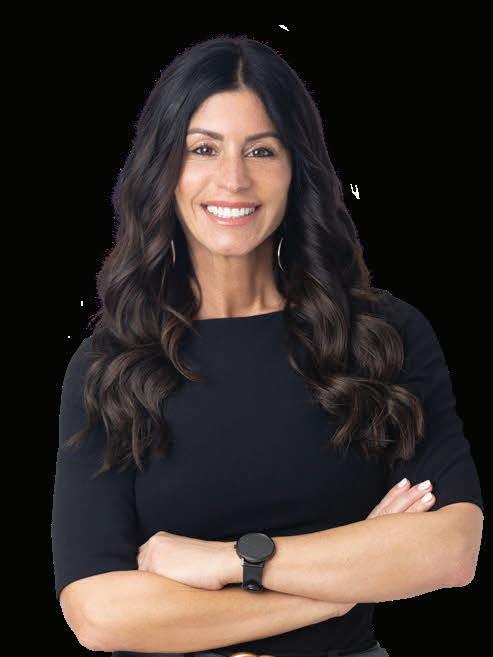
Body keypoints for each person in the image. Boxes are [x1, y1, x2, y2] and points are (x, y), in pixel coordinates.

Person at [51, 36, 484, 657]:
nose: (233, 179)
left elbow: (450, 548)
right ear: (164, 168)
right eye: (203, 149)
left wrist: (230, 560)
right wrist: (339, 589)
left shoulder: (380, 336)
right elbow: (100, 614)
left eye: (262, 150)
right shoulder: (110, 366)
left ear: (295, 169)